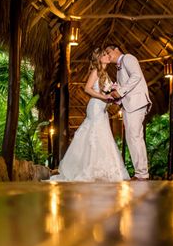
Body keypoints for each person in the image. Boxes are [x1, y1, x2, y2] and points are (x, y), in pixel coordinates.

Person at [50, 48, 129, 182]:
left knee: (103, 135)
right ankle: (88, 168)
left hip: (102, 108)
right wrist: (104, 97)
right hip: (95, 106)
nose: (107, 56)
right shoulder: (96, 71)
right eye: (104, 55)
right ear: (99, 59)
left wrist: (111, 98)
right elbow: (87, 88)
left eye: (106, 54)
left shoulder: (105, 73)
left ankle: (101, 169)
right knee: (94, 134)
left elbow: (107, 92)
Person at [104, 44, 151, 180]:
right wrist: (116, 98)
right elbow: (124, 90)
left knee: (135, 137)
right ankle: (140, 172)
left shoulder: (128, 58)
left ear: (117, 49)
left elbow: (136, 76)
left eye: (109, 52)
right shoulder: (118, 69)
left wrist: (120, 91)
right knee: (132, 137)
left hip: (136, 102)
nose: (108, 55)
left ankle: (142, 174)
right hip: (129, 104)